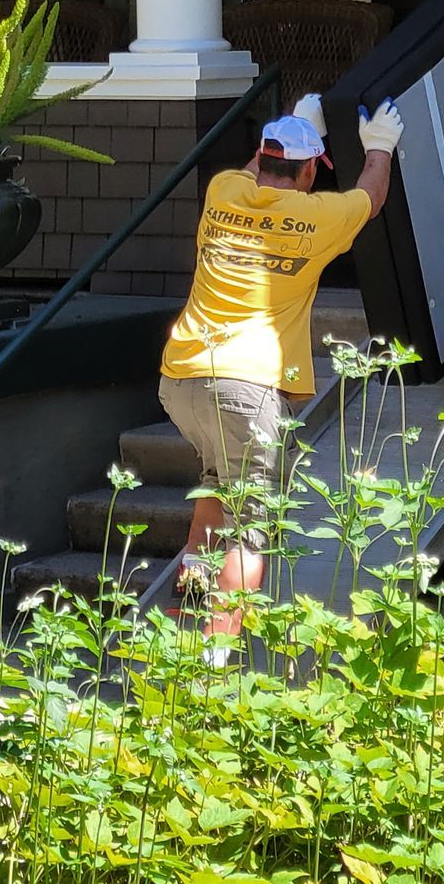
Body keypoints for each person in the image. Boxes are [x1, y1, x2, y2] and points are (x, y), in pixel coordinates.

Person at [157, 92, 405, 658]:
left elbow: (251, 171)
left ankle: (180, 629)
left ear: (263, 158)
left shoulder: (224, 192)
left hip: (181, 380)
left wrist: (297, 124)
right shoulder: (318, 218)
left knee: (214, 495)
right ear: (312, 169)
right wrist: (380, 146)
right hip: (246, 389)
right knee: (251, 531)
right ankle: (215, 666)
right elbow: (371, 194)